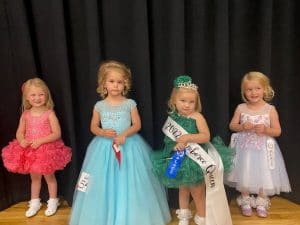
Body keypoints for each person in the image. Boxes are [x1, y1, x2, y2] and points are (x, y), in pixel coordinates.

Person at [69, 60, 171, 225]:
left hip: (129, 146)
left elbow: (137, 124)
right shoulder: (99, 105)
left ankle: (132, 216)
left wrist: (124, 134)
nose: (116, 85)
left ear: (125, 84)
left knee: (129, 181)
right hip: (103, 148)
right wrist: (102, 132)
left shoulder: (129, 104)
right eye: (111, 81)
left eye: (120, 82)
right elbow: (93, 126)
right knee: (104, 181)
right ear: (104, 84)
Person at [152, 75, 234, 225]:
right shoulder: (173, 118)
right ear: (174, 101)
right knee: (182, 189)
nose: (187, 105)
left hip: (196, 160)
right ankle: (184, 216)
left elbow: (205, 136)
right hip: (180, 159)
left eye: (191, 102)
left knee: (198, 192)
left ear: (196, 103)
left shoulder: (197, 117)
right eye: (183, 101)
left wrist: (188, 137)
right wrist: (175, 145)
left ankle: (202, 218)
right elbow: (169, 140)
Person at [1, 78, 72, 217]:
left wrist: (41, 141)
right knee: (35, 178)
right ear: (27, 97)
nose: (37, 98)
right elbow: (19, 132)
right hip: (30, 152)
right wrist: (21, 140)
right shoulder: (26, 114)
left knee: (49, 177)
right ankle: (35, 202)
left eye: (41, 94)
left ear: (46, 95)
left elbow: (57, 133)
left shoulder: (49, 113)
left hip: (46, 151)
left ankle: (53, 201)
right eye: (33, 95)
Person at [225, 71, 291, 218]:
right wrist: (242, 127)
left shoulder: (270, 109)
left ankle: (261, 200)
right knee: (245, 171)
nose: (253, 92)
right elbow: (232, 126)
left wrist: (266, 129)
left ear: (265, 89)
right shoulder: (241, 108)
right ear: (244, 92)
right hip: (244, 149)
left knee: (264, 172)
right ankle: (246, 199)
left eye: (257, 88)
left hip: (263, 149)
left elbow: (277, 131)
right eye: (249, 89)